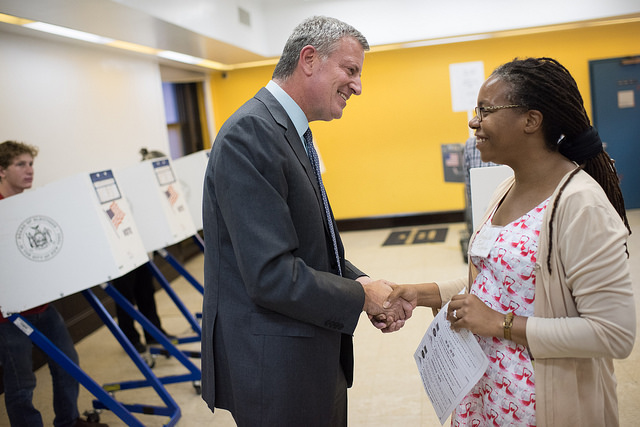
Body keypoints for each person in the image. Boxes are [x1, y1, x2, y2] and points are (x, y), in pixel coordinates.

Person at [385, 57, 636, 426]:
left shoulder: (580, 205)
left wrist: (501, 324)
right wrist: (423, 294)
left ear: (531, 121)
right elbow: (502, 281)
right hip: (486, 398)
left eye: (485, 111)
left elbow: (614, 334)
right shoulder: (506, 189)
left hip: (542, 406)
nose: (474, 121)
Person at [200, 16, 410, 427]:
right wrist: (359, 297)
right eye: (350, 71)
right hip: (276, 368)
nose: (358, 86)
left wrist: (362, 283)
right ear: (309, 59)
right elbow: (272, 274)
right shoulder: (250, 134)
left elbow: (311, 244)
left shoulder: (289, 132)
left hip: (307, 351)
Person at [0, 140, 107, 427]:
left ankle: (68, 421)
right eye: (20, 164)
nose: (29, 170)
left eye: (31, 163)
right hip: (8, 314)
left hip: (42, 304)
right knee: (21, 383)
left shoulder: (30, 204)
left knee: (67, 364)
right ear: (1, 171)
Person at [110, 148, 173, 354]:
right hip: (123, 249)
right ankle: (130, 339)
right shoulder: (125, 184)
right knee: (125, 296)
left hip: (143, 250)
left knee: (146, 292)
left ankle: (154, 334)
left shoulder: (149, 188)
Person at [460, 136, 497, 261]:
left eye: (486, 115)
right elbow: (470, 190)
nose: (474, 123)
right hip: (483, 219)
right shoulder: (471, 145)